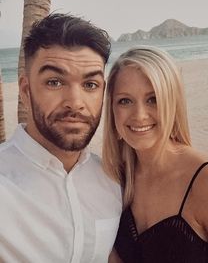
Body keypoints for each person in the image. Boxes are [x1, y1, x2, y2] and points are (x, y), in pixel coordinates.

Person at [0, 13, 122, 263]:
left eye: (90, 85)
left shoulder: (113, 180)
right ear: (25, 91)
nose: (75, 103)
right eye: (55, 82)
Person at [103, 46, 208, 262]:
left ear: (172, 103)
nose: (139, 115)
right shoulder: (113, 181)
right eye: (125, 101)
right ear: (112, 109)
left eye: (152, 99)